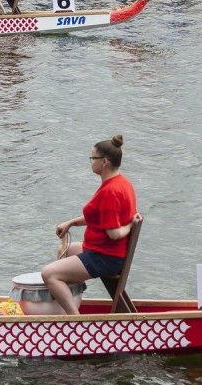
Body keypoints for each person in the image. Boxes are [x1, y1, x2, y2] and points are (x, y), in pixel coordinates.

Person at [41, 135, 141, 316]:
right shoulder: (122, 183)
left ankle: (75, 320)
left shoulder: (111, 191)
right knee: (65, 251)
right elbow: (100, 216)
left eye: (92, 158)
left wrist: (130, 226)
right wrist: (71, 223)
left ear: (104, 162)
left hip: (105, 257)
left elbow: (114, 233)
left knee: (49, 274)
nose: (90, 162)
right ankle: (67, 301)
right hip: (103, 251)